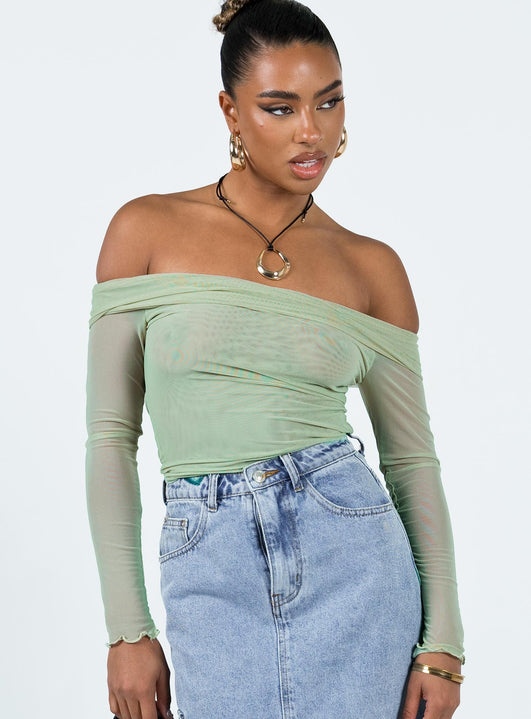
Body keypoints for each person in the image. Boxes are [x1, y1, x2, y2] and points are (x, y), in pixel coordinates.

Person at [84, 1, 465, 718]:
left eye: (329, 101)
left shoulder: (371, 267)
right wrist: (126, 629)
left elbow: (412, 461)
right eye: (280, 107)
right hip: (210, 565)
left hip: (354, 561)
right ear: (230, 111)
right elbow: (109, 438)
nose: (312, 131)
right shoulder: (146, 230)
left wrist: (442, 643)